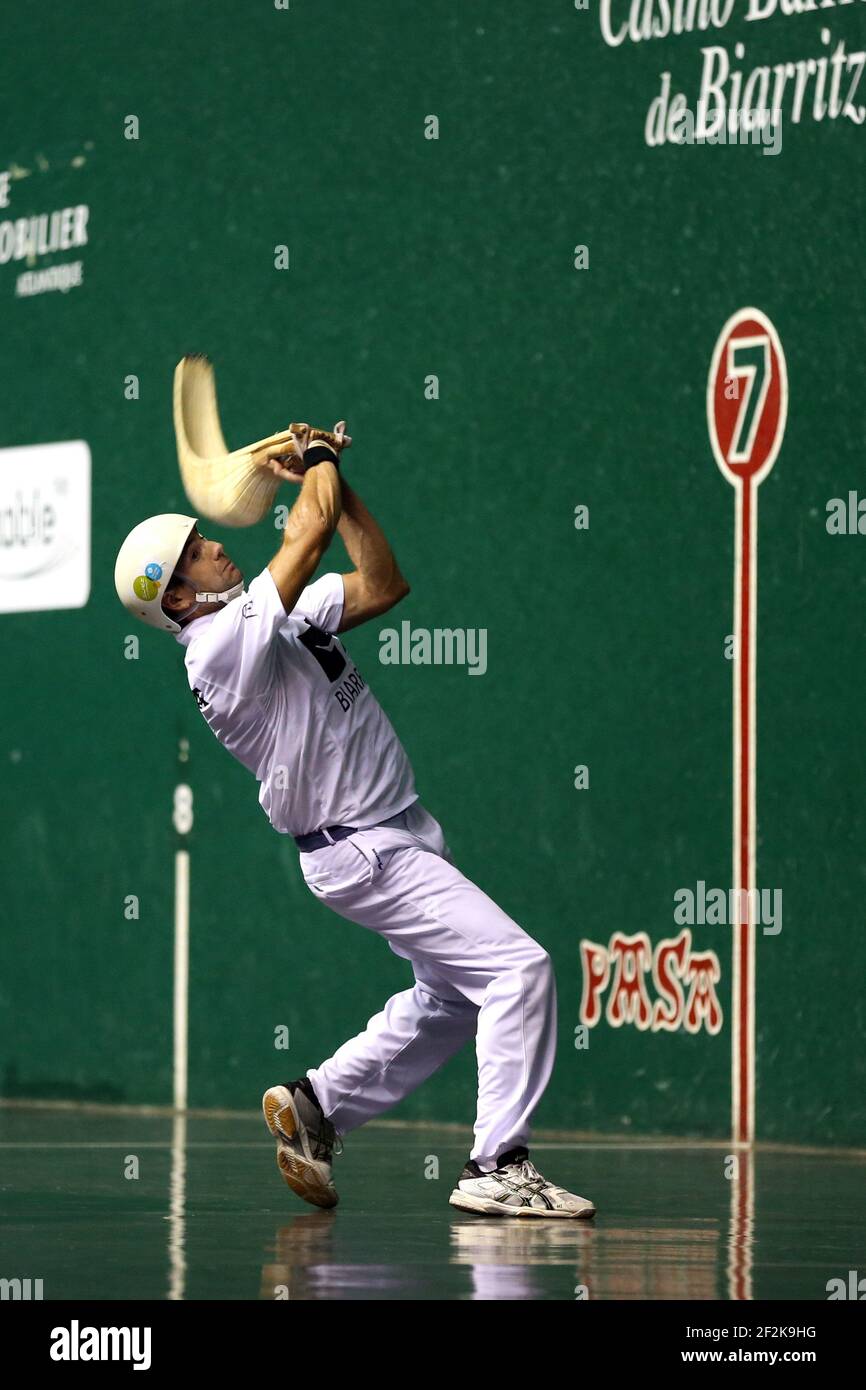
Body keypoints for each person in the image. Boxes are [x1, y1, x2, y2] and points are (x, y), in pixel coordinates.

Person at [114, 437, 596, 1219]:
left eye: (204, 537)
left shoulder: (266, 615)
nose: (216, 547)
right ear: (175, 600)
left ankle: (317, 1107)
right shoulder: (218, 649)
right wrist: (315, 461)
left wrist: (340, 486)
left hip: (395, 833)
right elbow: (303, 535)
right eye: (197, 553)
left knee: (452, 998)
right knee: (519, 969)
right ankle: (495, 1165)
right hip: (361, 849)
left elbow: (382, 582)